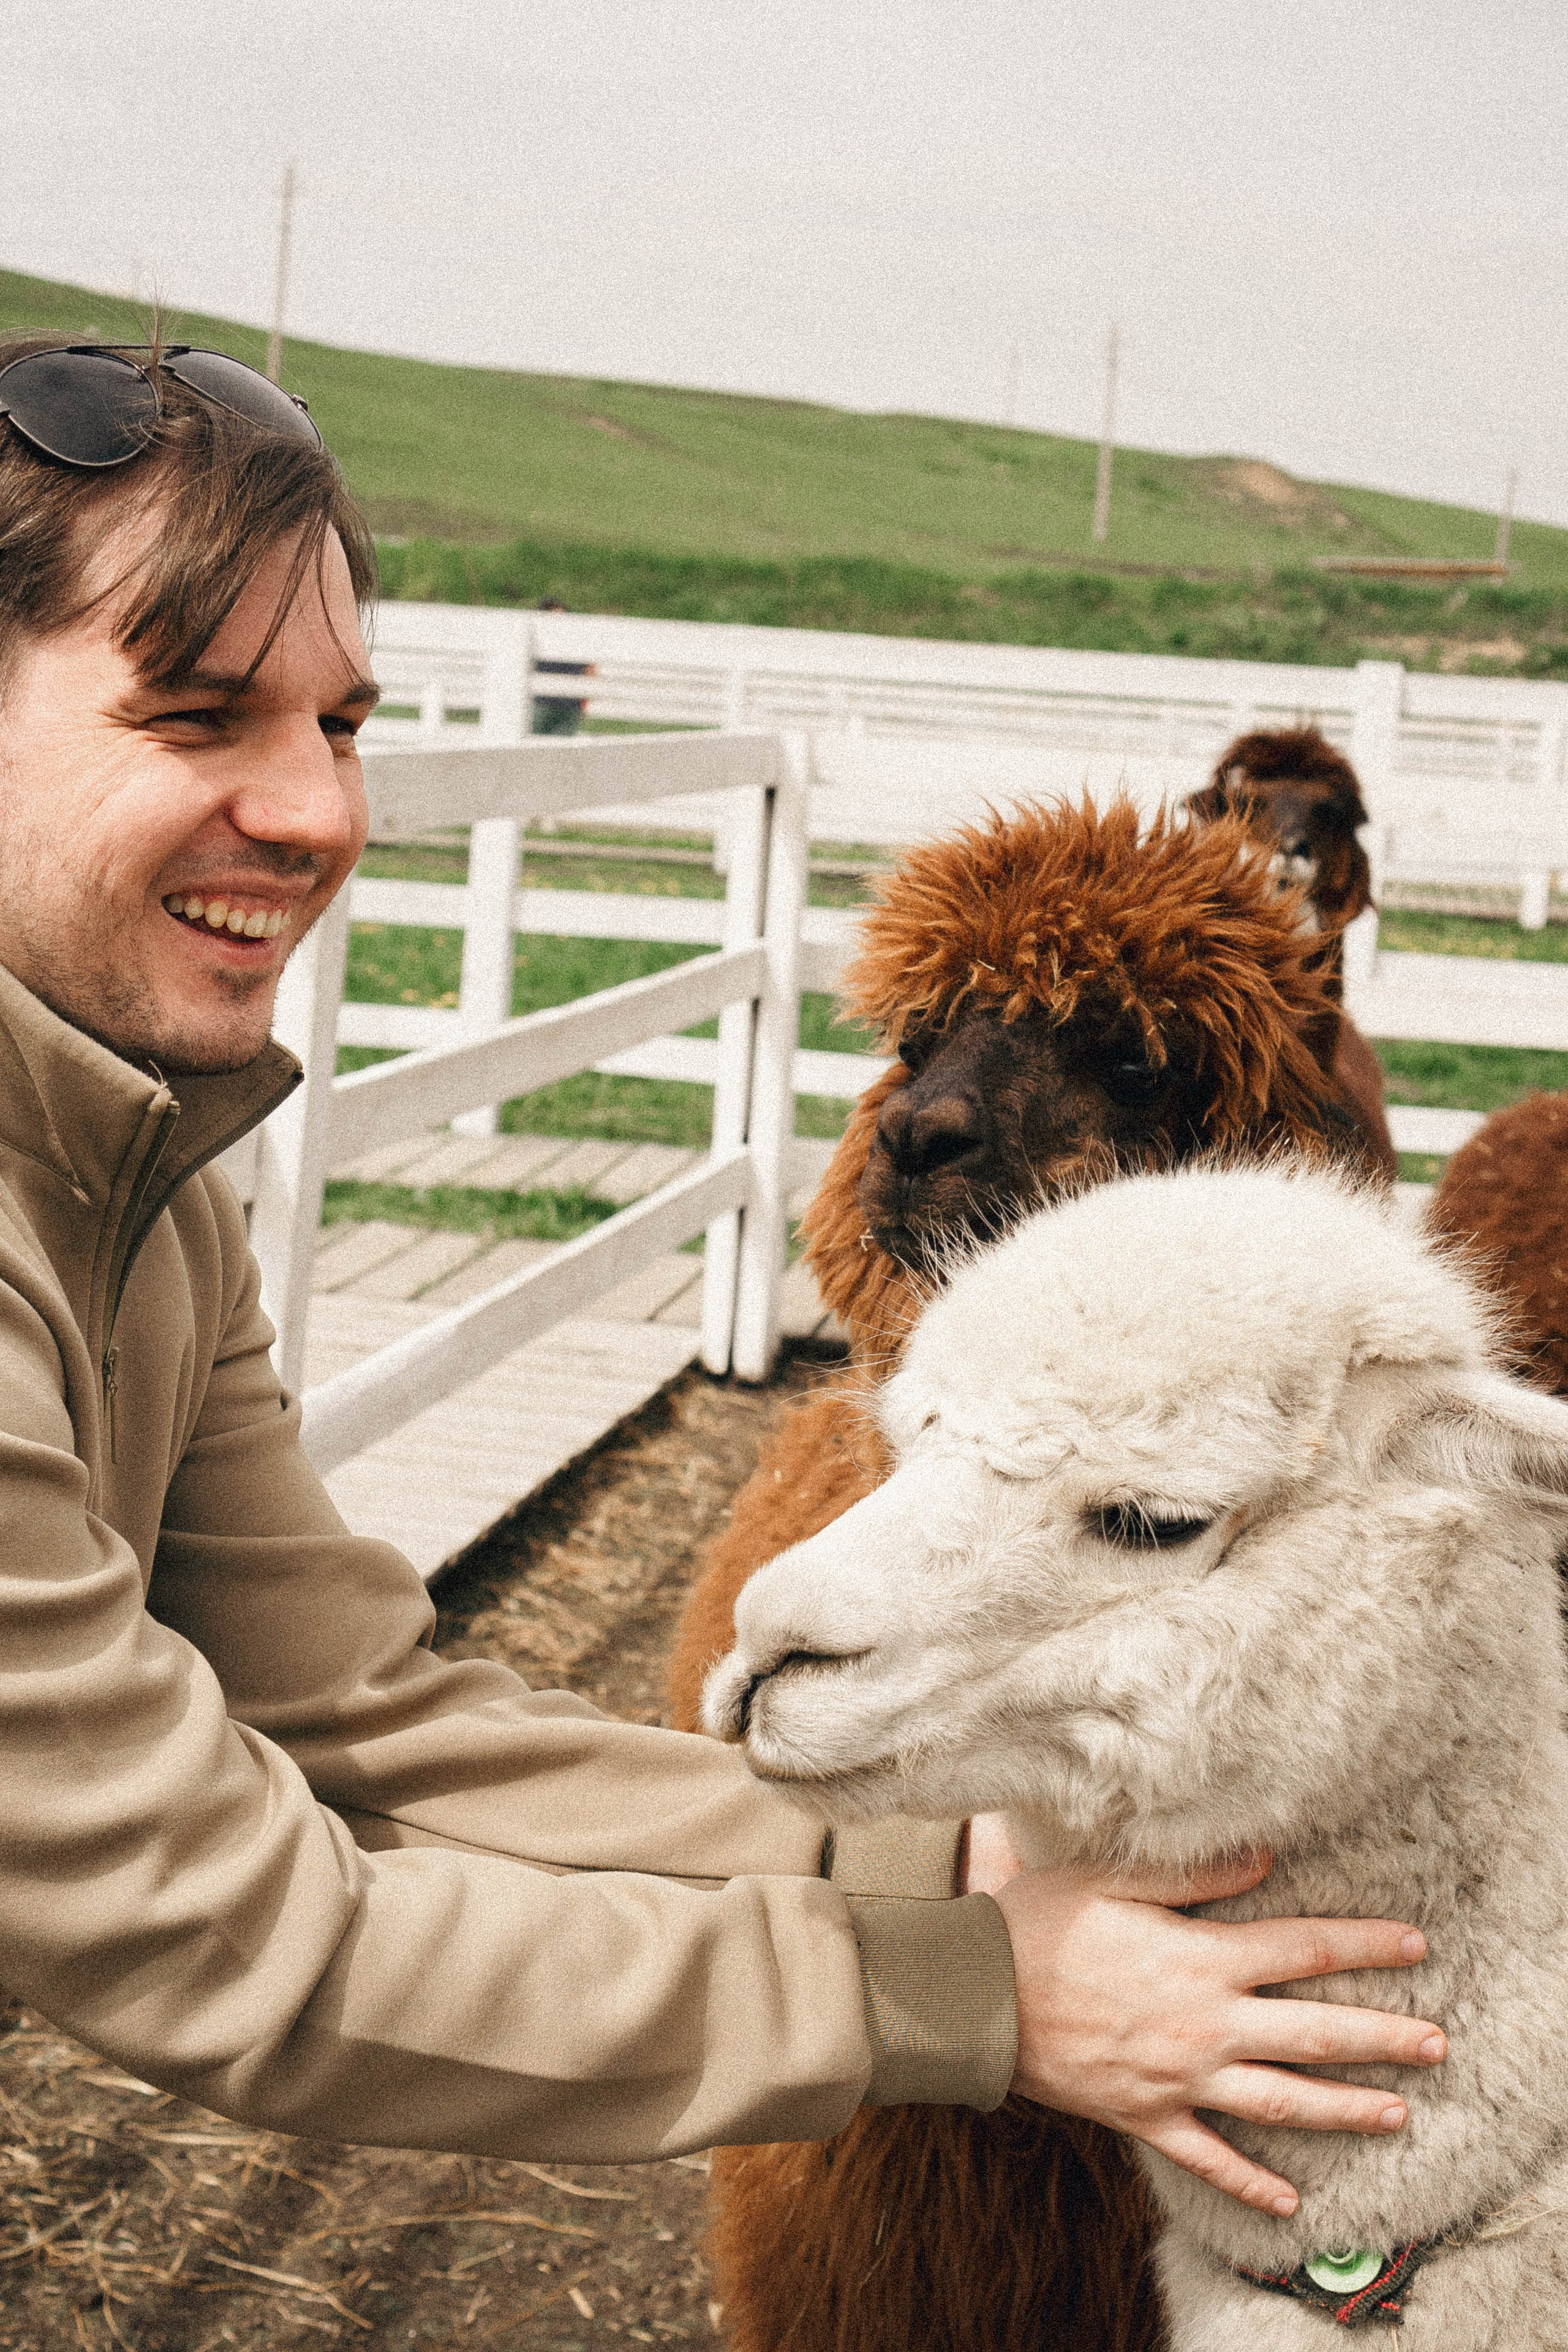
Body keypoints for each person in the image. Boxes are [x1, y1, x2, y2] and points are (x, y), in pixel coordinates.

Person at [0, 333, 1444, 2209]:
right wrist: (969, 1989)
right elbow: (227, 1928)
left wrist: (941, 1869)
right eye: (199, 715)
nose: (315, 811)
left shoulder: (137, 1169)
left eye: (340, 723)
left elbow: (356, 1710)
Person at [530, 594, 593, 733]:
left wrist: (584, 704)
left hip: (568, 707)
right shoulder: (535, 643)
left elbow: (588, 671)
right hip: (542, 704)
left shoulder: (576, 644)